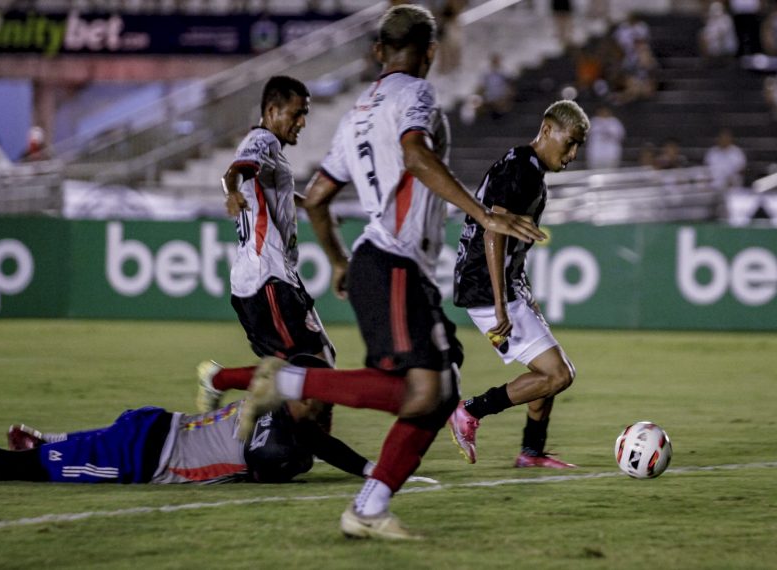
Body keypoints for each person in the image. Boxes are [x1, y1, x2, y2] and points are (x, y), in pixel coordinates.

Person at [232, 5, 544, 540]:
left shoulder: (355, 112)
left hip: (383, 263)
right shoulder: (415, 94)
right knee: (428, 389)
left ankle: (369, 506)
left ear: (378, 51)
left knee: (435, 390)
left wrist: (338, 262)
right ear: (429, 51)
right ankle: (286, 383)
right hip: (394, 258)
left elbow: (320, 198)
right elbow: (415, 154)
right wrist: (483, 212)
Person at [448, 101, 588, 469]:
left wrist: (523, 290)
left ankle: (531, 452)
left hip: (501, 286)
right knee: (558, 374)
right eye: (570, 142)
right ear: (546, 130)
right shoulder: (521, 170)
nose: (572, 154)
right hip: (486, 288)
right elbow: (494, 230)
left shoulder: (527, 168)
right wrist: (499, 304)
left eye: (578, 147)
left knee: (548, 370)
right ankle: (469, 411)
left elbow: (510, 241)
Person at [196, 76, 338, 430]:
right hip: (267, 277)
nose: (303, 121)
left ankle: (225, 385)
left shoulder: (274, 154)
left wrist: (311, 203)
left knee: (311, 366)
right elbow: (236, 171)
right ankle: (222, 382)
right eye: (297, 113)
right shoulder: (262, 140)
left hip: (269, 277)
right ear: (272, 111)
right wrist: (231, 192)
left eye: (305, 113)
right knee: (312, 368)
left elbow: (275, 193)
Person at [0, 399, 384, 486]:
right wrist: (366, 470)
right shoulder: (287, 443)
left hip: (153, 422)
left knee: (50, 455)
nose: (328, 420)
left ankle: (42, 440)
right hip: (141, 458)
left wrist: (366, 469)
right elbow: (273, 459)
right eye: (326, 410)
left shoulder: (268, 399)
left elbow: (317, 444)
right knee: (16, 471)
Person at [586, 106, 626, 170]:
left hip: (611, 153)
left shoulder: (615, 122)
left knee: (611, 173)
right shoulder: (593, 121)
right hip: (596, 154)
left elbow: (621, 136)